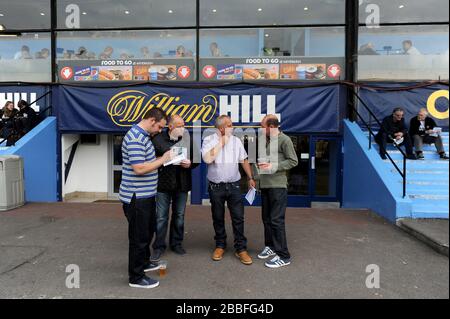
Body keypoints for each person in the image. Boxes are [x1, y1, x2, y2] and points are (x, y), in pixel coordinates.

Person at [120, 108, 174, 289]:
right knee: (139, 237)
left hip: (146, 195)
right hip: (137, 198)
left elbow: (146, 160)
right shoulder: (136, 138)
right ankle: (135, 277)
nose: (160, 131)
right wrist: (164, 158)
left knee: (148, 231)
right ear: (152, 121)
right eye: (160, 127)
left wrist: (165, 159)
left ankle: (144, 263)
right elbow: (139, 168)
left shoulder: (143, 136)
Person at [202, 115, 256, 265]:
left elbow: (243, 160)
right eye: (230, 125)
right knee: (218, 217)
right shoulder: (209, 140)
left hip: (234, 186)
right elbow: (207, 159)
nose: (233, 127)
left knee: (238, 217)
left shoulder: (236, 141)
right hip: (216, 186)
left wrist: (250, 177)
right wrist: (221, 142)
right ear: (221, 128)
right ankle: (220, 245)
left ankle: (241, 248)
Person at [151, 115, 199, 261]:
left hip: (182, 184)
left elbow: (197, 158)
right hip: (163, 185)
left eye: (183, 125)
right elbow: (150, 160)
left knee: (179, 216)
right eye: (179, 125)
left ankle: (176, 243)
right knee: (161, 217)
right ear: (170, 126)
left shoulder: (187, 138)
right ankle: (158, 246)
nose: (182, 128)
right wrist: (164, 159)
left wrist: (190, 164)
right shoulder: (157, 139)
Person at [256, 115, 298, 268]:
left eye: (262, 126)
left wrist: (274, 166)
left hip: (278, 186)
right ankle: (271, 247)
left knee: (276, 220)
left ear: (271, 126)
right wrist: (257, 179)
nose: (261, 129)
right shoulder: (265, 140)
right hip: (265, 185)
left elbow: (293, 161)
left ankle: (284, 255)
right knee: (266, 219)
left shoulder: (284, 140)